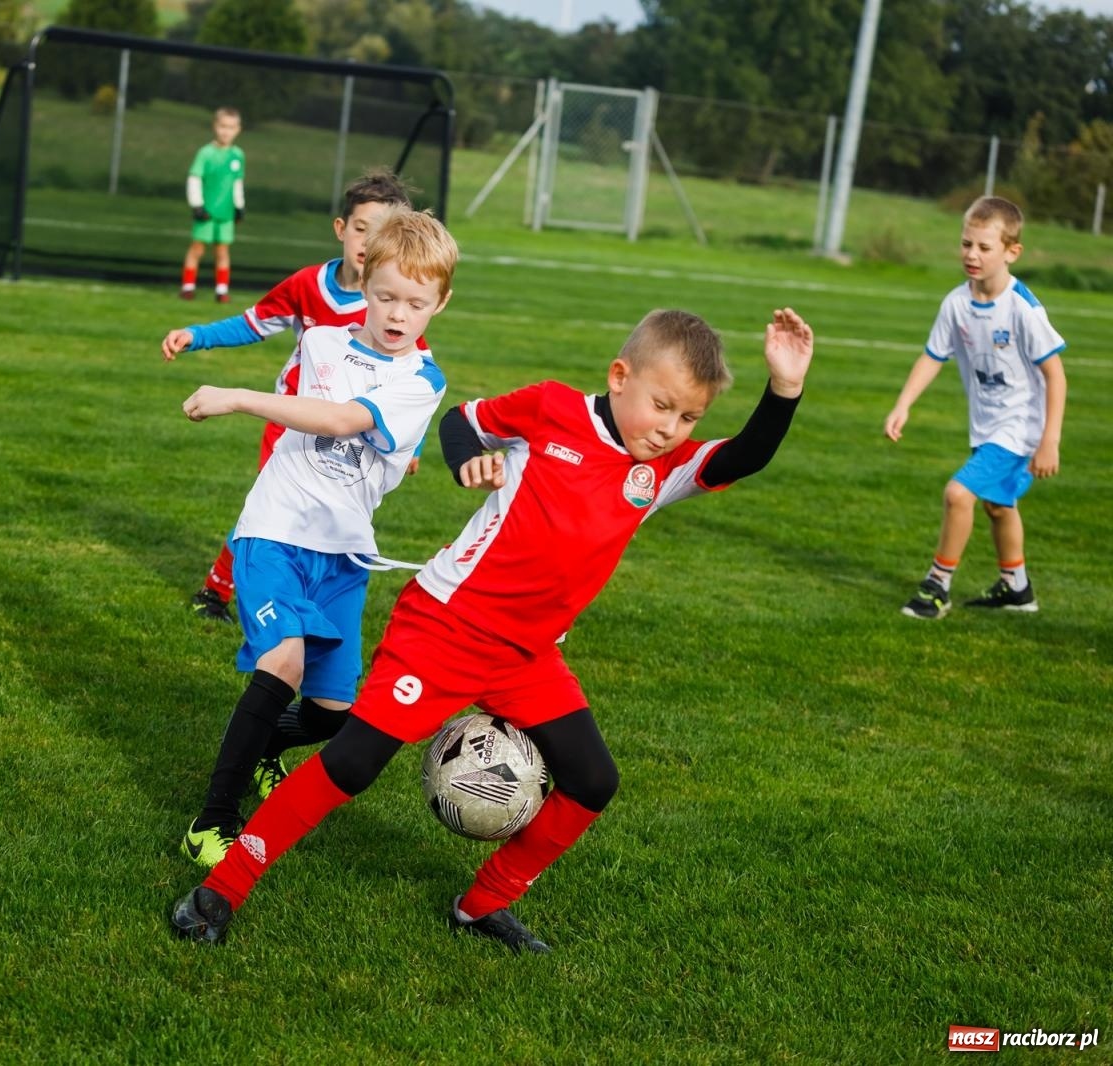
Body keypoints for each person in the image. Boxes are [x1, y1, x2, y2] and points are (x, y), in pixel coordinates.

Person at [172, 306, 816, 950]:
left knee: (594, 781)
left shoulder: (660, 471)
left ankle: (482, 905)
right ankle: (221, 888)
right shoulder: (552, 409)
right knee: (353, 762)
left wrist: (784, 387)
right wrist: (467, 462)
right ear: (620, 376)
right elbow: (463, 422)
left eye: (688, 418)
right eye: (663, 406)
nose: (670, 429)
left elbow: (743, 456)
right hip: (444, 627)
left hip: (527, 656)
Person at [175, 209, 457, 869]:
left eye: (415, 303)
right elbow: (300, 402)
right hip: (273, 530)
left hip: (343, 552)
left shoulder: (422, 380)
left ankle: (262, 746)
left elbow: (339, 418)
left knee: (334, 713)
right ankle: (212, 822)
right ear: (363, 280)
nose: (396, 314)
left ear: (439, 303)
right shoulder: (323, 342)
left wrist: (237, 396)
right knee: (285, 662)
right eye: (385, 295)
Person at [163, 169, 420, 623]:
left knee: (324, 525)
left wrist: (412, 443)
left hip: (351, 435)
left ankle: (307, 603)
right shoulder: (308, 284)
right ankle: (219, 592)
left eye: (381, 233)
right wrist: (197, 335)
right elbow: (255, 320)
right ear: (342, 229)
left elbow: (410, 383)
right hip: (289, 424)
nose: (367, 242)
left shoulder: (393, 309)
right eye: (361, 228)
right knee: (269, 510)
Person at [885, 196, 1068, 619]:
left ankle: (937, 586)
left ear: (1011, 252)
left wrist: (1049, 440)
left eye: (985, 248)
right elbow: (933, 356)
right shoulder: (956, 303)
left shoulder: (1022, 308)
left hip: (1020, 428)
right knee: (998, 505)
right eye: (967, 244)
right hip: (986, 425)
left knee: (958, 493)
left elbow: (1055, 375)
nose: (972, 254)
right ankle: (1017, 587)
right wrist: (903, 404)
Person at [180, 107, 245, 303]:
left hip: (225, 214)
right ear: (215, 127)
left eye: (231, 127)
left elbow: (237, 183)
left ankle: (221, 290)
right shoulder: (205, 153)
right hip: (206, 212)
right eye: (223, 126)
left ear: (238, 130)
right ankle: (188, 287)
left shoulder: (238, 155)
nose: (226, 131)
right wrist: (197, 205)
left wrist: (239, 206)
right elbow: (194, 178)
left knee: (222, 251)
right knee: (197, 249)